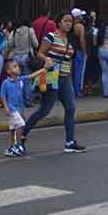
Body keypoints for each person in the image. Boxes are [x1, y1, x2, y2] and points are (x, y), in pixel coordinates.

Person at [19, 12, 85, 154]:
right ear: (59, 23)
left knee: (71, 108)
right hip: (52, 77)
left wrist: (71, 77)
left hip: (65, 78)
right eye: (66, 21)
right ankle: (22, 135)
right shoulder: (51, 37)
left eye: (70, 21)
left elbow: (69, 59)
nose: (69, 23)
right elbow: (40, 53)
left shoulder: (69, 40)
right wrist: (46, 59)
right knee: (44, 110)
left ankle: (70, 142)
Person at [1, 59, 27, 157]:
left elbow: (31, 76)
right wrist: (6, 107)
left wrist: (43, 70)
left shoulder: (19, 81)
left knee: (12, 129)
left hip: (18, 109)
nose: (18, 68)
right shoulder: (6, 83)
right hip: (12, 109)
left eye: (17, 66)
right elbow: (3, 96)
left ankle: (11, 147)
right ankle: (18, 144)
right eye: (15, 66)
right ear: (8, 71)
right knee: (21, 125)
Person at [10, 18, 39, 106]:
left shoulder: (14, 32)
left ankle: (18, 100)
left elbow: (10, 44)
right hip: (27, 57)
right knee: (28, 80)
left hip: (16, 57)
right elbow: (36, 44)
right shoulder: (30, 31)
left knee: (17, 80)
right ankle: (28, 101)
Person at [70, 10, 88, 96]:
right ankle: (77, 90)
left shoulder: (69, 26)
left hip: (70, 50)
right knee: (78, 72)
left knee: (70, 72)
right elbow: (82, 40)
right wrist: (84, 51)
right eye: (80, 15)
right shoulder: (80, 27)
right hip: (78, 51)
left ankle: (70, 90)